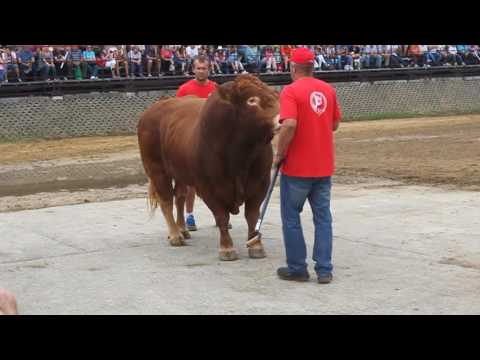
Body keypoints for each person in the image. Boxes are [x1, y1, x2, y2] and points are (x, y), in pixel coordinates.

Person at [274, 47, 341, 284]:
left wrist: (279, 152)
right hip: (323, 167)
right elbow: (334, 125)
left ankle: (297, 267)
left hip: (297, 169)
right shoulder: (328, 90)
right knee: (323, 218)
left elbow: (289, 124)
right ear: (313, 67)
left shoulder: (290, 91)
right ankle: (324, 269)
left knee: (291, 217)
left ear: (293, 67)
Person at [174, 55, 231, 231]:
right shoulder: (184, 90)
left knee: (219, 180)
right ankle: (189, 215)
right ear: (193, 69)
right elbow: (176, 115)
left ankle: (219, 215)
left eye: (204, 68)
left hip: (213, 143)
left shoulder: (216, 89)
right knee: (190, 183)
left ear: (209, 69)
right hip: (192, 140)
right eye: (198, 68)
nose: (201, 71)